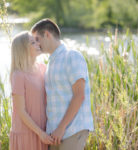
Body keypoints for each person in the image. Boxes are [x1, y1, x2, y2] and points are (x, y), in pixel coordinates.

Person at [31, 18, 94, 150]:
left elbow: (79, 96)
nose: (36, 44)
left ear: (47, 34)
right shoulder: (50, 64)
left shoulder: (72, 56)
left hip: (73, 129)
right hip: (54, 133)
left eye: (37, 39)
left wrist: (61, 128)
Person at [9, 31, 54, 150]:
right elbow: (21, 111)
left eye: (36, 41)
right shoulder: (18, 75)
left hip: (43, 131)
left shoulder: (43, 68)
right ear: (23, 49)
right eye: (33, 42)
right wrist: (40, 133)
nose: (38, 44)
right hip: (25, 134)